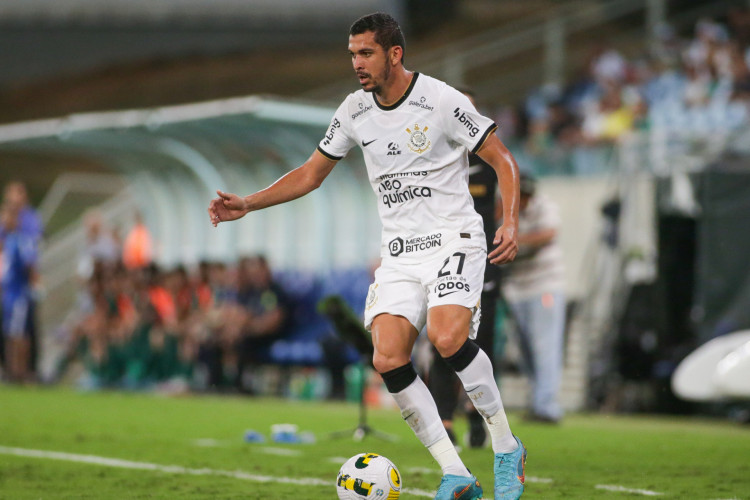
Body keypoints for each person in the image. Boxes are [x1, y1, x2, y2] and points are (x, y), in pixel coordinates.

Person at [208, 13, 526, 500]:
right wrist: (248, 203)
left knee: (446, 338)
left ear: (394, 54)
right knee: (388, 356)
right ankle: (456, 473)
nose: (356, 63)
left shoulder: (442, 99)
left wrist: (509, 222)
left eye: (366, 53)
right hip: (400, 253)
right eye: (352, 54)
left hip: (454, 238)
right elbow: (311, 174)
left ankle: (506, 448)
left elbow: (502, 159)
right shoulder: (354, 110)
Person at [428, 88, 503, 449]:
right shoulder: (430, 158)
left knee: (481, 343)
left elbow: (498, 210)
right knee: (441, 341)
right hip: (439, 260)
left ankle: (479, 417)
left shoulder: (488, 161)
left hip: (481, 262)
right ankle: (444, 418)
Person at [501, 173, 566, 423]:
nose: (525, 199)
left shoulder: (544, 205)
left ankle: (547, 407)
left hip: (544, 286)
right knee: (526, 349)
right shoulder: (503, 207)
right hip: (516, 288)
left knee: (545, 346)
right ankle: (538, 401)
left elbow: (548, 233)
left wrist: (514, 239)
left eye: (527, 194)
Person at [0, 204, 38, 382]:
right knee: (10, 333)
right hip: (8, 294)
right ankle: (10, 371)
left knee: (20, 334)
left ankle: (21, 372)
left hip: (19, 294)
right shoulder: (7, 240)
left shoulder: (22, 240)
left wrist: (35, 286)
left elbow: (29, 265)